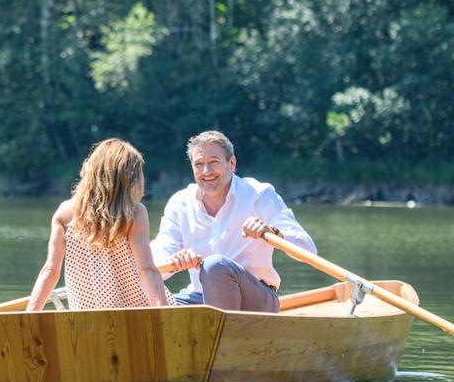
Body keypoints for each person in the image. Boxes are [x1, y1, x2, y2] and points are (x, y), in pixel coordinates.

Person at [151, 130, 317, 312]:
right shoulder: (179, 203)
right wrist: (174, 260)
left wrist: (272, 232)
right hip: (201, 297)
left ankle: (226, 335)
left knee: (215, 265)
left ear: (232, 163)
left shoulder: (259, 194)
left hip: (256, 299)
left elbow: (309, 250)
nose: (206, 171)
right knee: (149, 302)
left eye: (213, 162)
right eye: (199, 164)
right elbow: (156, 260)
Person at [27, 139, 172, 311]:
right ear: (128, 179)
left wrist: (29, 317)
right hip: (136, 314)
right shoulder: (134, 214)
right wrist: (165, 315)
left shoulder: (63, 214)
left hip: (87, 319)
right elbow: (146, 270)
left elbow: (50, 272)